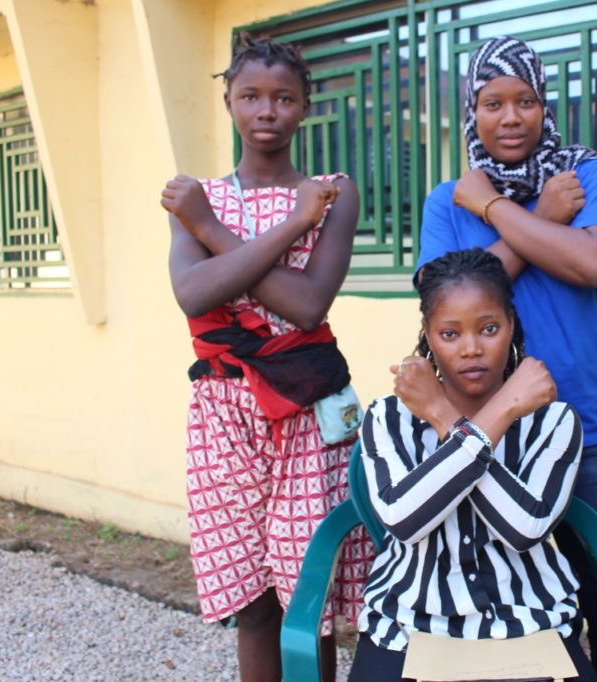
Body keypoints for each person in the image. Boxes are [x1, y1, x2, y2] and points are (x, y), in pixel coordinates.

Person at [415, 35, 597, 680]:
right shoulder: (445, 198)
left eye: (525, 101)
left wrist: (490, 208)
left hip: (583, 428)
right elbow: (448, 303)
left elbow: (594, 262)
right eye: (492, 103)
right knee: (519, 605)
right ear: (472, 112)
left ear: (545, 106)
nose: (510, 118)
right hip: (484, 434)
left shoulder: (585, 174)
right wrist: (535, 215)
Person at [160, 34, 372, 682]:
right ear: (227, 100)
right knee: (251, 601)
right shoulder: (195, 196)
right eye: (250, 95)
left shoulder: (332, 194)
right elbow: (193, 293)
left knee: (307, 596)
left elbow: (307, 306)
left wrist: (214, 236)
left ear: (305, 106)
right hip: (223, 415)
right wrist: (286, 228)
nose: (266, 110)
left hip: (307, 412)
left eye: (284, 98)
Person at [350, 248, 597, 682]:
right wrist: (490, 417)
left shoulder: (553, 421)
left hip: (528, 618)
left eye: (488, 329)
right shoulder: (389, 417)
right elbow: (403, 520)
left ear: (511, 326)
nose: (471, 349)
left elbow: (524, 528)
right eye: (450, 334)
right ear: (427, 334)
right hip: (410, 618)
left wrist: (447, 419)